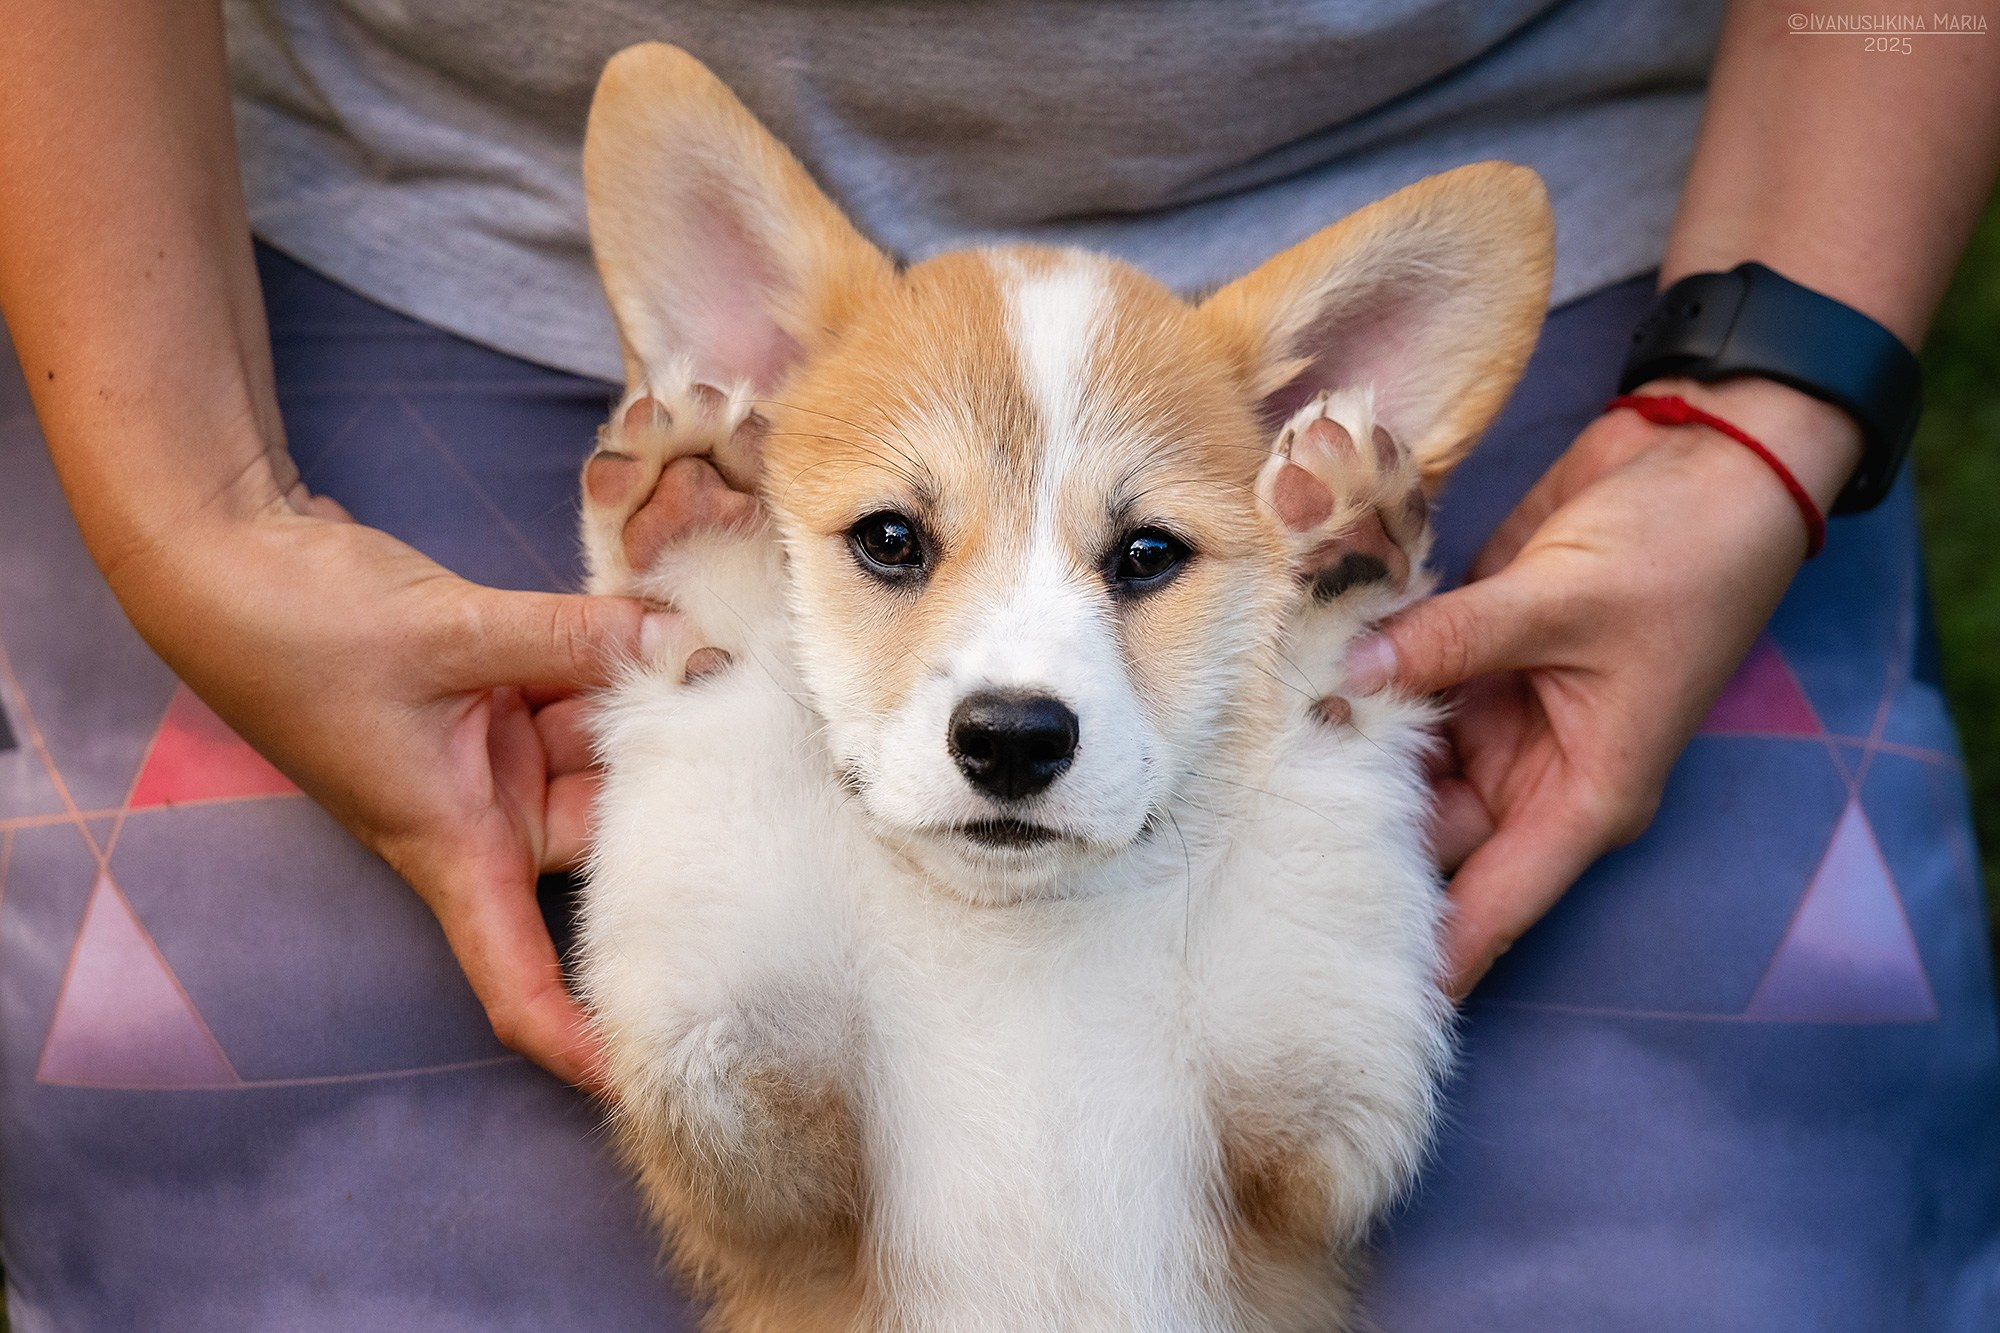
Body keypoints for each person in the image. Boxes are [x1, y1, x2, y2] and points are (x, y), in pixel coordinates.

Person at [0, 1, 1995, 1327]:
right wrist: (199, 519)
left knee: (1730, 1257)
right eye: (893, 543)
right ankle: (921, 647)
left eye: (1134, 560)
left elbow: (1305, 1135)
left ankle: (1224, 655)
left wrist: (1746, 426)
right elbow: (755, 1129)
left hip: (1543, 162)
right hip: (407, 211)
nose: (1019, 679)